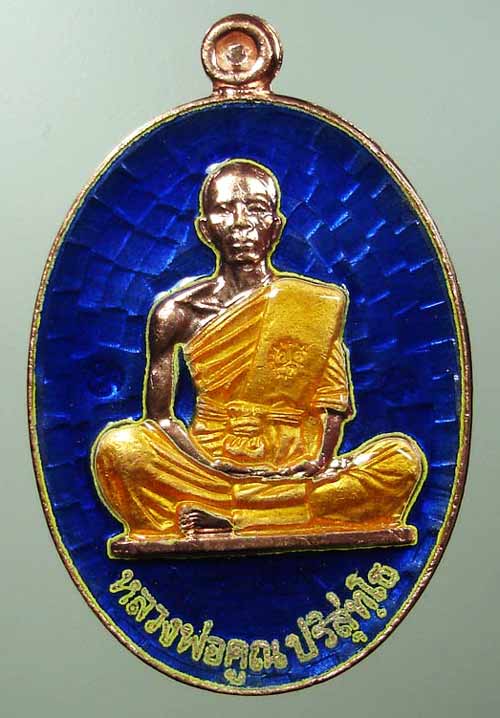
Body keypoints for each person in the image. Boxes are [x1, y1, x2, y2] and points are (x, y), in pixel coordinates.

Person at [92, 158, 426, 549]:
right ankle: (278, 510)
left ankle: (238, 515)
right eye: (224, 210)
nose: (241, 223)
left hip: (297, 465)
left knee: (401, 459)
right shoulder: (176, 312)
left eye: (256, 209)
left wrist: (319, 461)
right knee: (119, 449)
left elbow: (332, 401)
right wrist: (209, 464)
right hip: (209, 465)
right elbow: (161, 419)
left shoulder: (312, 304)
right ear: (205, 229)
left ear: (276, 226)